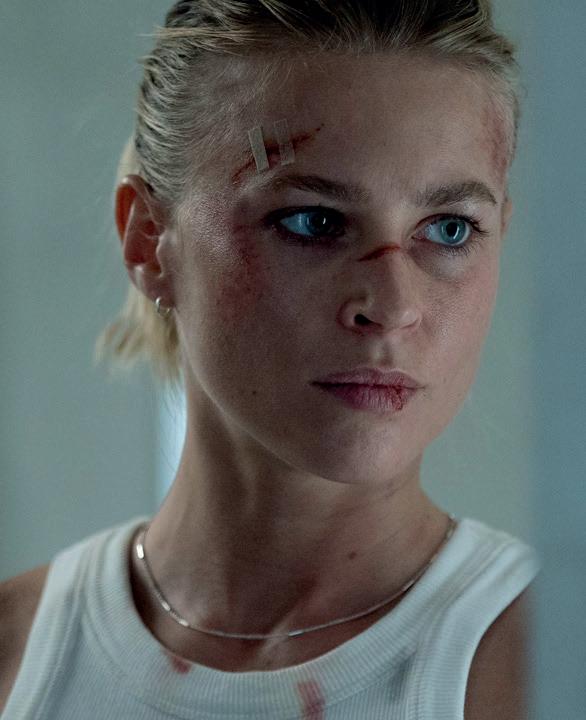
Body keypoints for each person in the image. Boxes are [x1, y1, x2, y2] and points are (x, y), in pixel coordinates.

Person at [0, 1, 540, 718]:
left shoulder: (550, 665)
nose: (389, 304)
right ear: (148, 241)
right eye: (313, 221)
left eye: (449, 229)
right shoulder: (16, 654)